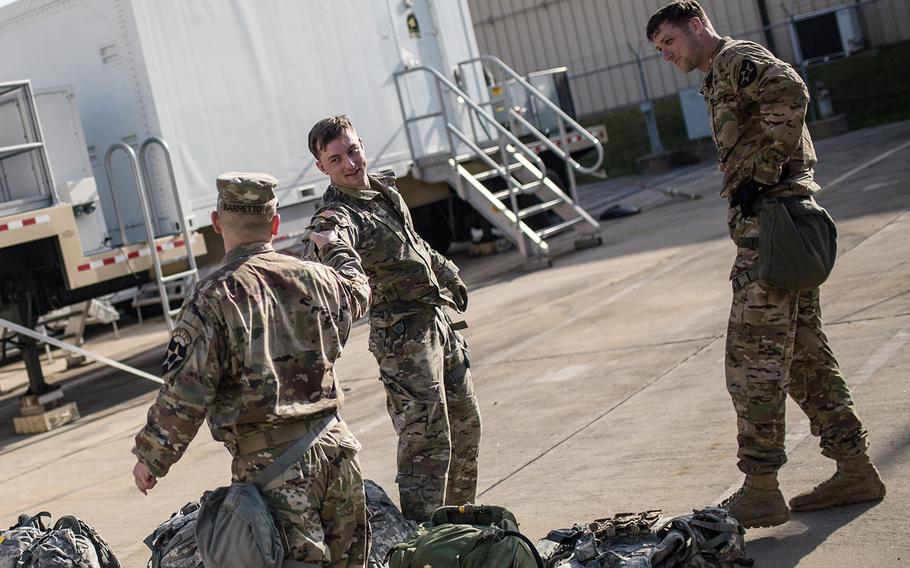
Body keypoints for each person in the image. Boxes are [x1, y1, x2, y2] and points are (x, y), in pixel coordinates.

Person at [645, 1, 885, 528]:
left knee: (751, 362)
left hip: (773, 229)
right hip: (780, 225)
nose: (666, 53)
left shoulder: (736, 59)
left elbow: (790, 89)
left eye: (669, 41)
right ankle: (855, 466)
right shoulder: (715, 78)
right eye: (660, 48)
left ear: (697, 26)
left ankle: (760, 488)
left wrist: (765, 169)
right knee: (802, 355)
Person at [132, 172, 371, 565]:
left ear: (216, 223)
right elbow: (358, 290)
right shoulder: (317, 279)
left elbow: (187, 392)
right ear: (275, 224)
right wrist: (335, 249)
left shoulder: (212, 298)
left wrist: (152, 458)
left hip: (273, 467)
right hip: (337, 451)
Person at [293, 115, 482, 522]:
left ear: (362, 144)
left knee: (466, 426)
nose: (350, 163)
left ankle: (461, 528)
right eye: (336, 158)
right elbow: (326, 243)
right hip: (403, 340)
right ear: (322, 167)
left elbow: (411, 244)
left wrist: (446, 270)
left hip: (435, 322)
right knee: (426, 444)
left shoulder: (382, 191)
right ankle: (422, 540)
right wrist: (332, 253)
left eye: (353, 150)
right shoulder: (337, 214)